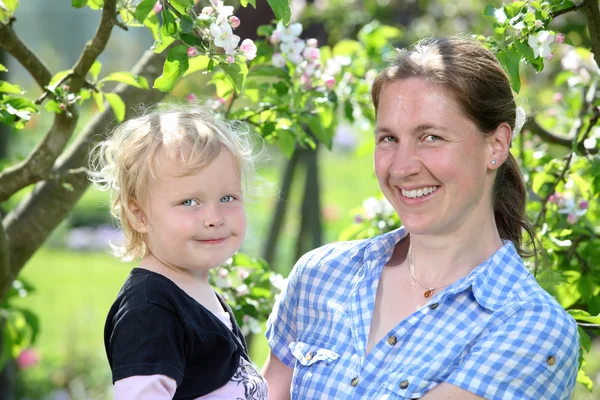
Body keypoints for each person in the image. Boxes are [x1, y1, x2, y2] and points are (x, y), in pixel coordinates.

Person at [262, 37, 580, 400]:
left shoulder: (530, 327)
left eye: (430, 137)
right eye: (388, 139)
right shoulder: (321, 276)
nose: (401, 167)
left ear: (495, 146)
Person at [90, 105, 268, 399]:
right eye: (189, 202)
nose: (214, 217)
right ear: (139, 215)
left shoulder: (194, 291)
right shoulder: (150, 312)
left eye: (227, 197)